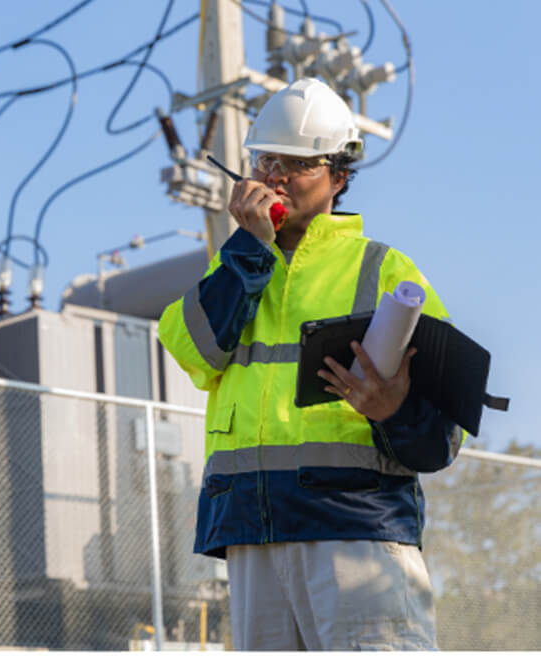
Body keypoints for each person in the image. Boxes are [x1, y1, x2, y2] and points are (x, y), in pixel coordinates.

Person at [158, 77, 462, 651]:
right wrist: (249, 251)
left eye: (296, 164)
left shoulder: (384, 270)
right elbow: (192, 349)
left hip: (356, 528)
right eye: (266, 160)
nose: (275, 175)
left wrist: (394, 410)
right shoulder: (236, 268)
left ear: (338, 178)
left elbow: (446, 428)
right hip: (250, 530)